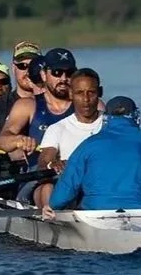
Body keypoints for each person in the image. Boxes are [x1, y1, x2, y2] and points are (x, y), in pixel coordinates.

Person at [41, 96, 141, 217]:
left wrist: (52, 206)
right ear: (136, 117)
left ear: (106, 118)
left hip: (96, 213)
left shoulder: (87, 146)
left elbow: (61, 197)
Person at [22, 67, 105, 206]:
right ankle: (54, 221)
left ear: (100, 92)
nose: (86, 99)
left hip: (102, 185)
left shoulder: (112, 124)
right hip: (71, 191)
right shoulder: (57, 129)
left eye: (91, 93)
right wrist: (53, 164)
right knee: (47, 188)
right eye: (80, 93)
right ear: (71, 94)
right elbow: (43, 163)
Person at [0, 46, 79, 158]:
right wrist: (17, 141)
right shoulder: (4, 105)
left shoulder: (86, 103)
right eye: (23, 66)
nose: (28, 71)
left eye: (33, 66)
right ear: (13, 67)